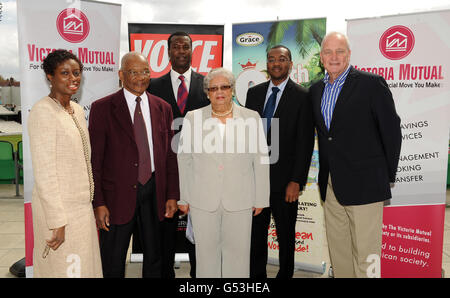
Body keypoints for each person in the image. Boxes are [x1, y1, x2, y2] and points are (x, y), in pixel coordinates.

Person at [309, 32, 402, 278]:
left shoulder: (371, 84)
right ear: (321, 58)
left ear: (349, 54)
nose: (334, 57)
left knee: (367, 254)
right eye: (328, 52)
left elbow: (392, 132)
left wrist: (386, 176)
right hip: (331, 185)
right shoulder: (316, 90)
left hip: (366, 184)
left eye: (340, 51)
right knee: (339, 251)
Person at [89, 51, 179, 278]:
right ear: (121, 75)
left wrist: (172, 195)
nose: (141, 77)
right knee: (112, 259)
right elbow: (94, 160)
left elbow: (170, 155)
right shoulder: (102, 108)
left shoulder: (163, 108)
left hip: (154, 193)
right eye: (133, 72)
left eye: (145, 71)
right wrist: (98, 202)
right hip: (116, 197)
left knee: (155, 257)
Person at [177, 67, 270, 277]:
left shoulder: (251, 117)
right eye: (214, 88)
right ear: (207, 93)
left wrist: (261, 197)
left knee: (238, 257)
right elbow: (184, 159)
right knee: (205, 256)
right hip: (202, 200)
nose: (220, 92)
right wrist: (184, 197)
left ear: (233, 90)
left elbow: (261, 159)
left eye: (225, 87)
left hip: (241, 199)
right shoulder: (193, 118)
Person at [28, 49, 102, 277]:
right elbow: (45, 172)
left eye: (77, 73)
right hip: (59, 213)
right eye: (65, 73)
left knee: (84, 268)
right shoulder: (42, 111)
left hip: (81, 209)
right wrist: (57, 221)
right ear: (50, 76)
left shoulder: (78, 110)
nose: (73, 78)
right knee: (66, 271)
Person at [246, 45, 315, 278]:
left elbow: (305, 143)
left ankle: (285, 275)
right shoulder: (253, 94)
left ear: (290, 64)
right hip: (255, 180)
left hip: (285, 182)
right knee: (256, 235)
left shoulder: (303, 96)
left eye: (282, 59)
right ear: (267, 63)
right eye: (272, 59)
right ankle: (257, 278)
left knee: (285, 235)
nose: (276, 63)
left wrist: (296, 181)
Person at [147, 31, 209, 278]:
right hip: (165, 169)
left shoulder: (207, 84)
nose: (181, 51)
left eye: (186, 47)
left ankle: (199, 275)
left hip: (200, 169)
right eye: (176, 47)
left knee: (200, 227)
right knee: (166, 226)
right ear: (168, 51)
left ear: (192, 51)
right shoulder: (152, 85)